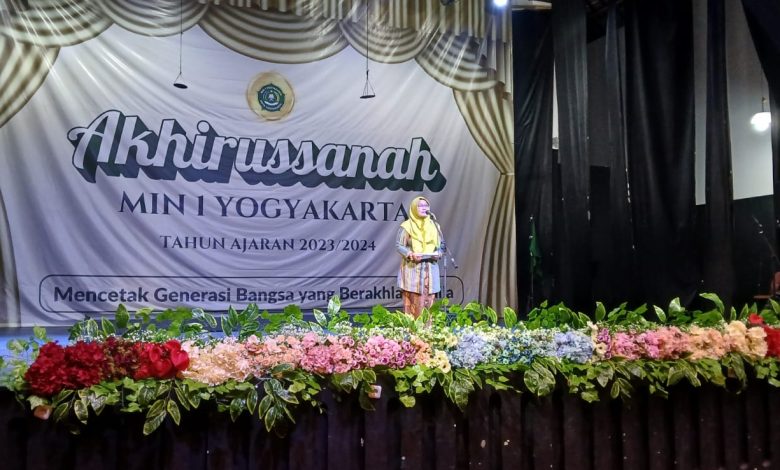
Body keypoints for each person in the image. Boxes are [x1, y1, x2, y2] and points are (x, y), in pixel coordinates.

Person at [396, 196, 443, 318]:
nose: (424, 208)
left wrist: (438, 253)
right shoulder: (407, 226)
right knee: (414, 303)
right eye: (420, 206)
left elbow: (441, 245)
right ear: (413, 208)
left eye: (426, 206)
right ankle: (413, 329)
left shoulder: (435, 226)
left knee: (429, 305)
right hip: (413, 270)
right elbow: (399, 245)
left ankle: (428, 329)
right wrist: (410, 254)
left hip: (430, 270)